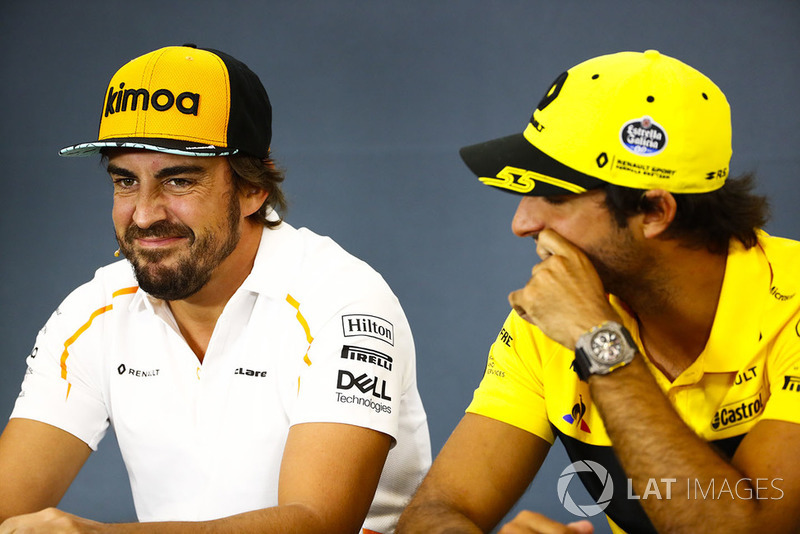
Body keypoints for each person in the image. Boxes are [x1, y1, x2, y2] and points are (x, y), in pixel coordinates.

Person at [0, 44, 431, 534]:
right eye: (124, 181)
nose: (144, 214)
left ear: (253, 187)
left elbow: (317, 523)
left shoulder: (343, 299)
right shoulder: (94, 312)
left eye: (179, 182)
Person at [396, 50, 800, 533]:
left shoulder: (581, 320)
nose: (521, 223)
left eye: (556, 197)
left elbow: (749, 530)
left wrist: (599, 340)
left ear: (654, 211)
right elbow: (435, 513)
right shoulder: (552, 318)